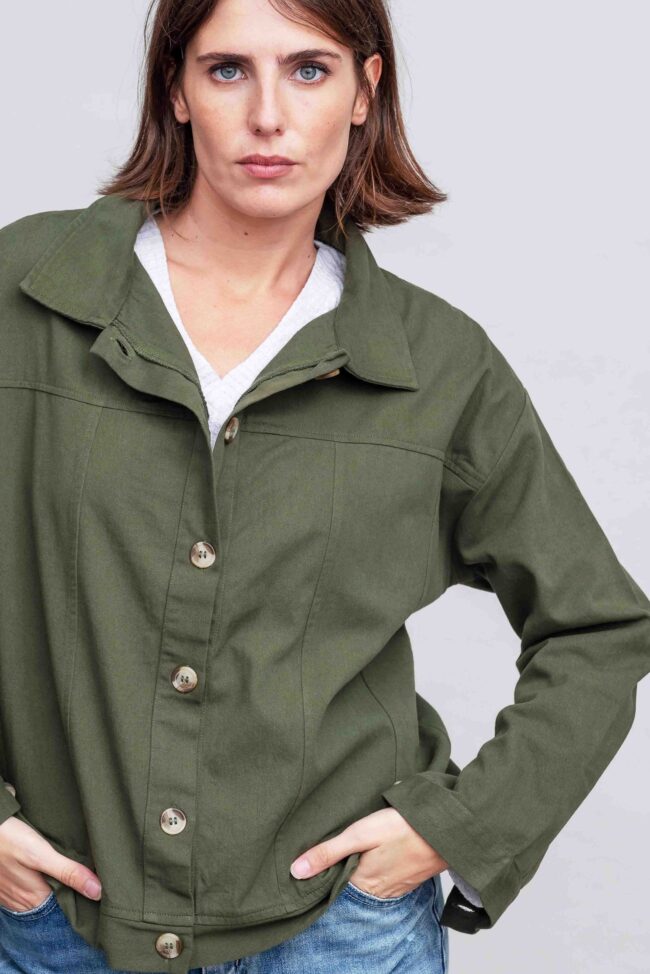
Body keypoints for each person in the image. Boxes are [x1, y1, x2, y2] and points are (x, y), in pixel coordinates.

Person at [0, 0, 647, 972]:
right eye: (227, 69)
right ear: (175, 88)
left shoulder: (439, 365)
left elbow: (597, 626)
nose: (268, 114)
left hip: (340, 937)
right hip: (51, 926)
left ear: (363, 92)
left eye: (308, 69)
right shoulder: (22, 296)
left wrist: (457, 827)